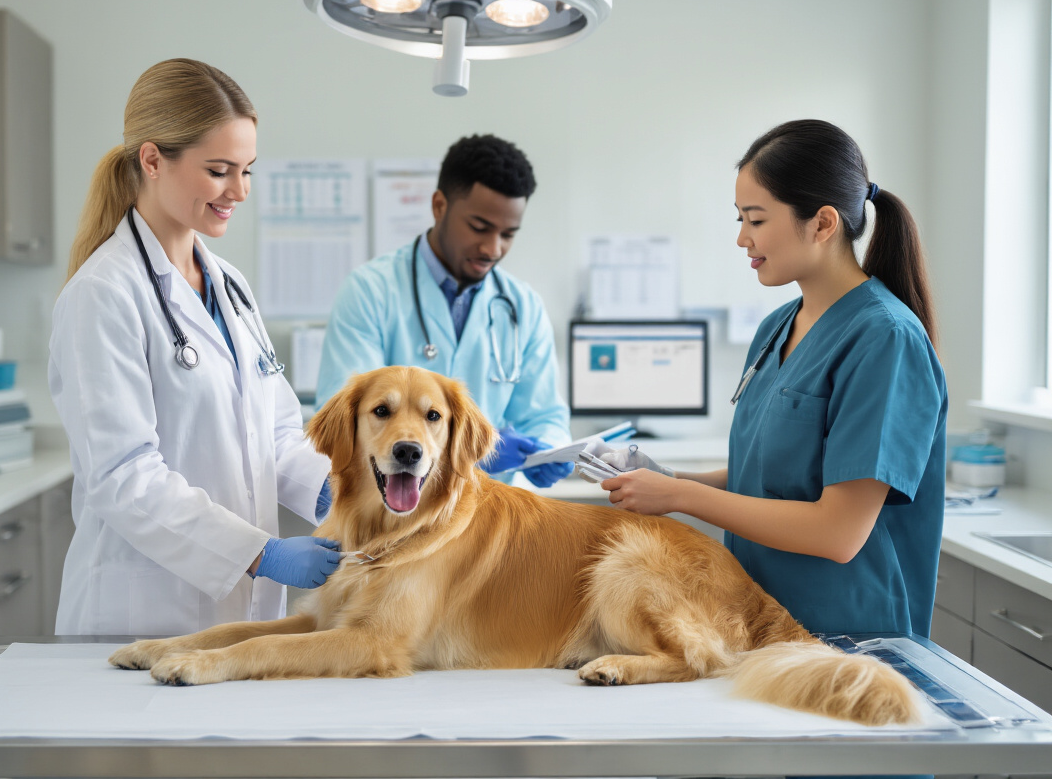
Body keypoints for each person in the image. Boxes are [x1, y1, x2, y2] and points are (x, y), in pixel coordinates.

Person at [597, 119, 947, 640]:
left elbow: (838, 531)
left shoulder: (885, 339)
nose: (742, 238)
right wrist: (670, 479)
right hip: (760, 622)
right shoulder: (777, 326)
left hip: (850, 639)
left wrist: (681, 499)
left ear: (823, 223)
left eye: (755, 220)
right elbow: (767, 478)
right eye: (740, 219)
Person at [49, 59, 340, 636]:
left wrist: (342, 490)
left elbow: (276, 436)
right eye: (218, 170)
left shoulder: (229, 285)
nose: (239, 191)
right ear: (153, 160)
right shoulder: (103, 295)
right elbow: (124, 476)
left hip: (235, 615)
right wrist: (262, 555)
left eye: (247, 170)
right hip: (143, 614)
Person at [316, 134, 573, 487]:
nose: (492, 248)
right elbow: (343, 420)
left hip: (487, 511)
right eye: (479, 227)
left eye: (508, 234)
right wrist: (481, 449)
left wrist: (550, 450)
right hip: (392, 510)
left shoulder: (523, 307)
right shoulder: (370, 291)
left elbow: (543, 415)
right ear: (439, 206)